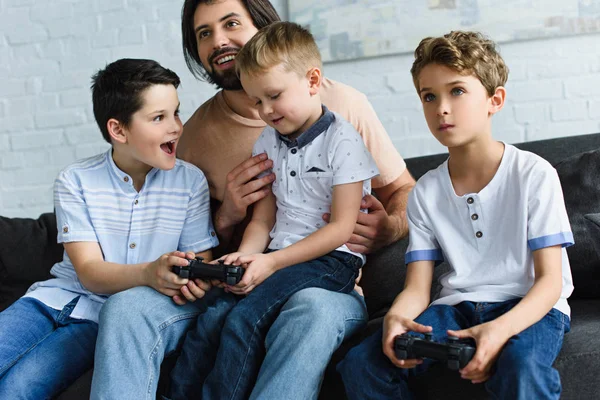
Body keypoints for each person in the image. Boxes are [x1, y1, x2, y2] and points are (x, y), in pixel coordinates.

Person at [91, 1, 415, 399]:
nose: (218, 41)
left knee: (310, 312)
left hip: (324, 284)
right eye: (204, 33)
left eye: (230, 23)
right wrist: (228, 215)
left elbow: (404, 191)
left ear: (261, 24)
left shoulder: (343, 109)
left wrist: (390, 226)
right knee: (128, 309)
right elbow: (188, 239)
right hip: (239, 275)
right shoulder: (192, 135)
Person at [337, 31, 574, 400]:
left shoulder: (534, 174)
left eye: (457, 91)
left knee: (521, 366)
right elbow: (417, 287)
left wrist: (499, 330)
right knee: (361, 363)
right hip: (454, 309)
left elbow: (549, 284)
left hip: (528, 306)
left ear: (495, 100)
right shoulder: (426, 192)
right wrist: (397, 318)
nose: (440, 108)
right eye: (429, 96)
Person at [168, 21, 380, 400]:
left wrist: (271, 262)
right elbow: (265, 216)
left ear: (312, 81)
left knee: (245, 320)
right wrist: (248, 255)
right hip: (278, 255)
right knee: (213, 315)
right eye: (257, 101)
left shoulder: (343, 142)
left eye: (274, 96)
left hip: (330, 260)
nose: (265, 110)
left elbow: (342, 228)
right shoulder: (269, 139)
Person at [0, 58, 218, 399]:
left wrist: (193, 280)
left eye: (176, 112)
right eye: (159, 117)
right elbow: (89, 272)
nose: (176, 127)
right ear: (119, 130)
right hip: (47, 301)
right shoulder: (75, 180)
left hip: (99, 320)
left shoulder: (190, 183)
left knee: (16, 389)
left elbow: (198, 262)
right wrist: (149, 272)